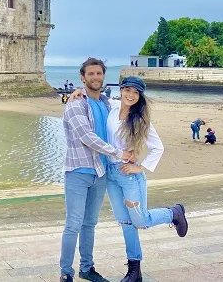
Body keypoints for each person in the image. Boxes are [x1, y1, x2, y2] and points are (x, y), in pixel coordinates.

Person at [69, 76, 188, 282]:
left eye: (136, 92)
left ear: (139, 96)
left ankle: (173, 213)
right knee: (125, 222)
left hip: (129, 176)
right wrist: (78, 91)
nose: (131, 95)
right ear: (121, 90)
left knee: (140, 220)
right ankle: (134, 271)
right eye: (128, 90)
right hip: (111, 175)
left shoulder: (140, 119)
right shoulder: (113, 107)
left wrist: (139, 167)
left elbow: (158, 148)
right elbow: (94, 95)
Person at [60, 58, 135, 282]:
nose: (95, 78)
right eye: (90, 74)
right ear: (83, 77)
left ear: (103, 76)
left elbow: (126, 114)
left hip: (100, 172)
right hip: (79, 171)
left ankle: (87, 268)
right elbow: (86, 137)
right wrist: (118, 153)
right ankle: (66, 272)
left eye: (99, 74)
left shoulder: (105, 102)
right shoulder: (76, 103)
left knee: (89, 224)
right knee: (73, 224)